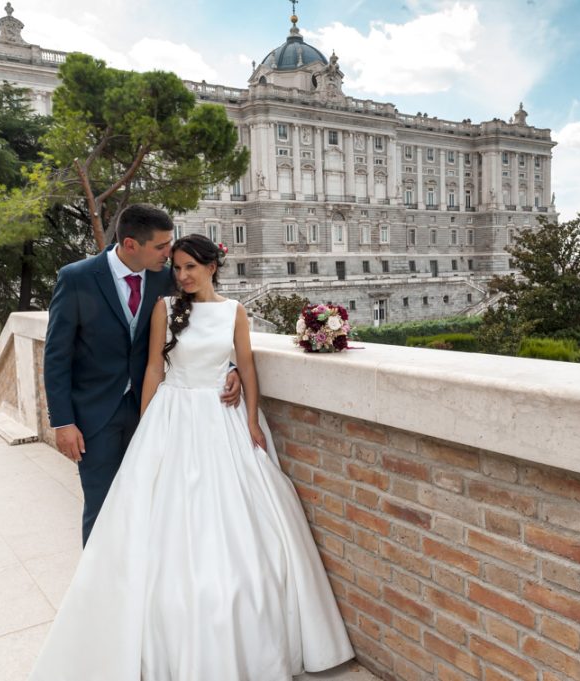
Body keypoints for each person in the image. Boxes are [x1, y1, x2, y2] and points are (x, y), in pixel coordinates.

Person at [30, 235, 354, 680]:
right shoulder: (165, 308)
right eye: (176, 267)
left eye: (189, 268)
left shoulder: (235, 312)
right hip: (173, 413)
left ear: (212, 267)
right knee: (158, 516)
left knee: (237, 525)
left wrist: (253, 420)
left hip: (222, 418)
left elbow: (248, 364)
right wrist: (147, 425)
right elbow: (153, 369)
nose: (181, 275)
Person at [44, 204, 241, 545]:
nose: (171, 253)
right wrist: (63, 422)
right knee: (103, 505)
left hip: (152, 412)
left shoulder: (166, 277)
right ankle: (100, 591)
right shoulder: (77, 278)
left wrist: (231, 366)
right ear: (132, 244)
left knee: (152, 503)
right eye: (162, 246)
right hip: (94, 417)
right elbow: (56, 356)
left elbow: (206, 324)